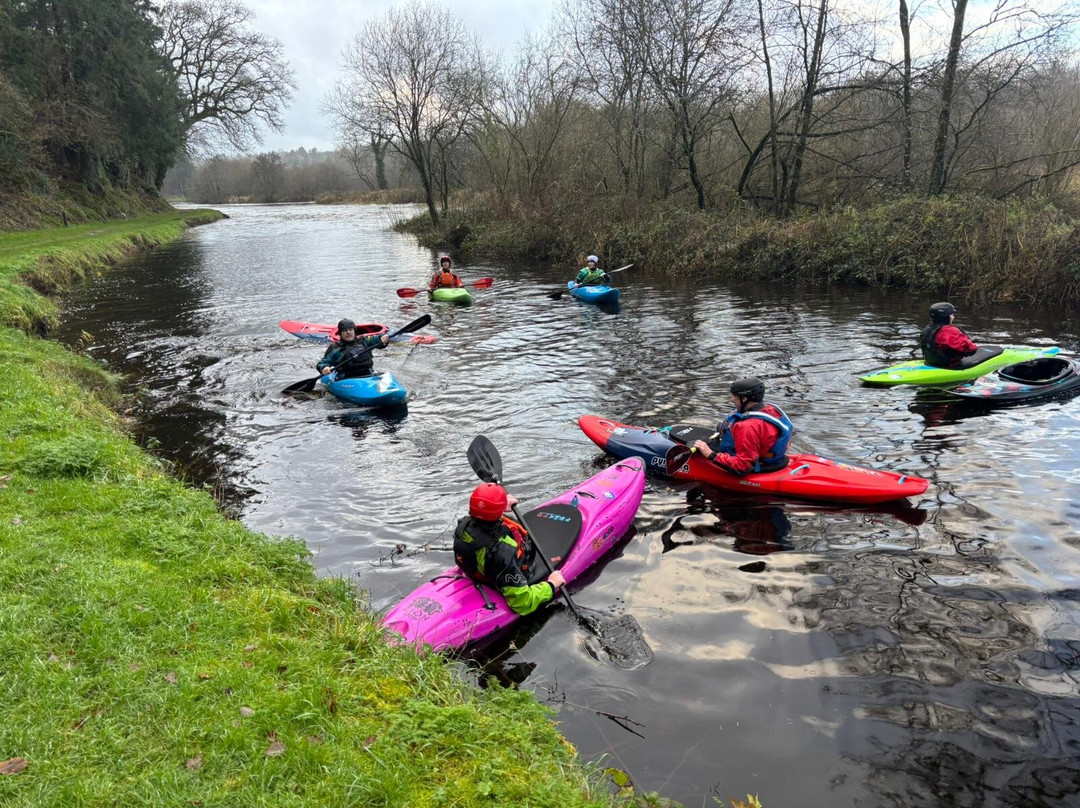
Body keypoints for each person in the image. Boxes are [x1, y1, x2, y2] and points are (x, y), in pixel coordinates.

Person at [453, 482, 566, 616]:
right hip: (499, 575)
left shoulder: (463, 526)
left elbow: (484, 518)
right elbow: (523, 603)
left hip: (476, 571)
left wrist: (499, 506)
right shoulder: (501, 551)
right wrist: (551, 585)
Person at [692, 377, 793, 475]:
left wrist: (710, 454)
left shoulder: (747, 427)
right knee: (723, 427)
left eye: (734, 396)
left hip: (757, 465)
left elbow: (743, 466)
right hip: (773, 457)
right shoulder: (773, 410)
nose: (732, 399)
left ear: (744, 398)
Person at [316, 319, 389, 380]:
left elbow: (376, 339)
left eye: (350, 329)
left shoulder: (364, 341)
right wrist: (324, 368)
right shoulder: (335, 348)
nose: (348, 332)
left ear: (354, 331)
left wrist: (383, 337)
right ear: (340, 333)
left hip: (368, 374)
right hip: (347, 379)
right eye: (345, 330)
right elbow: (322, 363)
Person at [920, 302, 978, 368]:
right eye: (952, 314)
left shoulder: (928, 328)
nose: (953, 317)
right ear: (947, 317)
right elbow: (971, 349)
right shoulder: (949, 331)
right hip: (949, 365)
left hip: (930, 361)